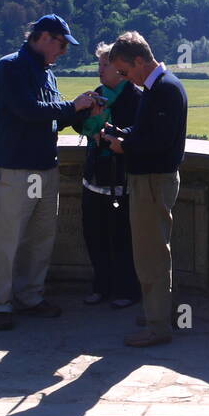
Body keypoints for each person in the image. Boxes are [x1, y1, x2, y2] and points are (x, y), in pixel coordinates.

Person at [0, 14, 97, 330]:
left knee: (40, 237)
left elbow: (50, 120)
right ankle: (0, 304)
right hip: (15, 167)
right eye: (61, 45)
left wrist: (84, 110)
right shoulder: (10, 67)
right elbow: (27, 111)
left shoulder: (47, 74)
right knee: (9, 240)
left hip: (43, 168)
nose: (63, 52)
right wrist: (71, 107)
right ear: (45, 37)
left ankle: (31, 297)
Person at [101, 31, 188, 348]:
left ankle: (157, 325)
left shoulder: (164, 90)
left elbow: (158, 143)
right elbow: (147, 132)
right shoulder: (159, 88)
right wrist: (118, 133)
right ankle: (162, 313)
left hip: (153, 180)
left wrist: (125, 147)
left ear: (139, 61)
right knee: (155, 249)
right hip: (152, 179)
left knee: (151, 253)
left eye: (124, 71)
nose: (124, 79)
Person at [71, 42, 144, 309]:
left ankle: (127, 289)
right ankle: (101, 286)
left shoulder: (136, 97)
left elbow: (138, 132)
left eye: (104, 65)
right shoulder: (98, 93)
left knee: (122, 237)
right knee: (94, 234)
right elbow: (77, 125)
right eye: (99, 65)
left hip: (121, 179)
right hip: (95, 177)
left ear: (119, 68)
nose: (99, 70)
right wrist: (83, 111)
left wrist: (109, 132)